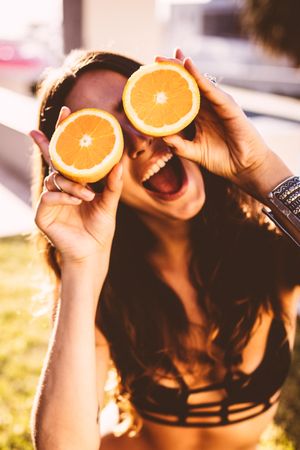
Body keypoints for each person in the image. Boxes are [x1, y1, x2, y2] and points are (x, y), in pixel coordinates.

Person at [29, 48, 300, 450]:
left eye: (138, 110)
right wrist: (83, 266)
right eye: (108, 135)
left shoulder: (267, 247)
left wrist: (259, 169)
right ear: (85, 174)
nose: (138, 140)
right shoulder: (105, 286)